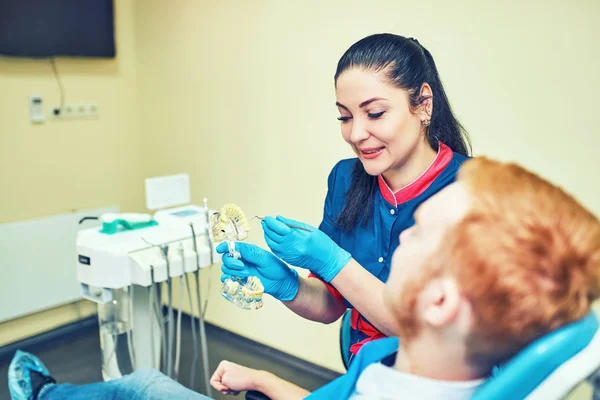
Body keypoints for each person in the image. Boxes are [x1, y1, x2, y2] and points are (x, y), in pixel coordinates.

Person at [10, 157, 600, 400]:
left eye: (420, 235)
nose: (405, 236)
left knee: (141, 387)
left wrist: (330, 260)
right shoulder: (393, 361)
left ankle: (42, 394)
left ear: (442, 300)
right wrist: (268, 365)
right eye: (345, 115)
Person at [220, 32, 472, 359]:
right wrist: (287, 284)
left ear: (423, 104)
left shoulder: (473, 190)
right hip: (363, 372)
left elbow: (430, 331)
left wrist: (333, 261)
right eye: (345, 116)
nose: (355, 134)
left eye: (375, 113)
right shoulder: (345, 180)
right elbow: (331, 304)